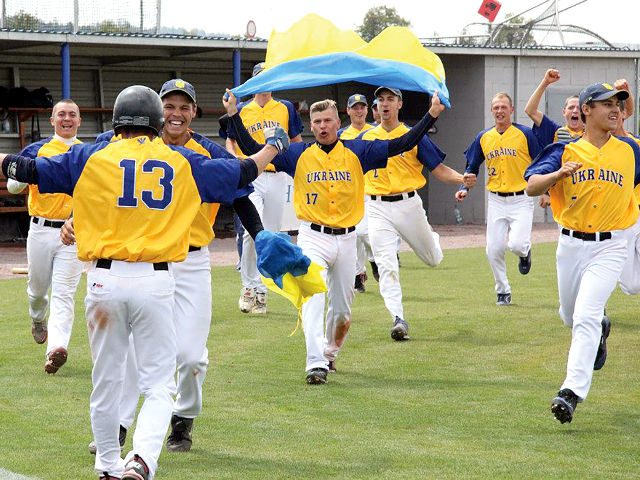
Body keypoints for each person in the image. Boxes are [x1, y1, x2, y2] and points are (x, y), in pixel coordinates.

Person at [1, 85, 292, 480]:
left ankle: (107, 465)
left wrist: (5, 161)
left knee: (107, 382)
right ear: (157, 121)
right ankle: (141, 461)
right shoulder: (179, 159)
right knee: (158, 385)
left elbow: (28, 170)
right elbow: (242, 173)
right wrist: (273, 148)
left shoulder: (91, 154)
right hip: (157, 278)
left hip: (104, 279)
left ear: (116, 120)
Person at [224, 87, 448, 383]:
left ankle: (329, 353)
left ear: (336, 121)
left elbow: (401, 143)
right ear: (311, 126)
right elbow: (250, 145)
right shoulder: (297, 154)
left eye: (328, 121)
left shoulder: (358, 150)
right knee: (313, 296)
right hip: (312, 236)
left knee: (342, 312)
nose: (322, 127)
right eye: (316, 122)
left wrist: (431, 114)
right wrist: (233, 114)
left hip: (346, 239)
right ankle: (314, 362)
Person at [84, 79, 260, 454]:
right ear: (157, 110)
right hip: (145, 260)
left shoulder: (208, 152)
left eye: (184, 106)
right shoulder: (127, 145)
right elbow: (93, 186)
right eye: (169, 106)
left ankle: (183, 417)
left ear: (194, 112)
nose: (176, 114)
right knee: (133, 351)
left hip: (192, 260)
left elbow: (240, 193)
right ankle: (118, 426)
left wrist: (261, 237)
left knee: (191, 355)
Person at [524, 82, 639, 424]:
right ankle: (601, 327)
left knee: (585, 316)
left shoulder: (631, 150)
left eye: (618, 103)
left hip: (612, 245)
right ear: (586, 109)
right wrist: (557, 175)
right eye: (606, 103)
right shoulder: (564, 151)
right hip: (571, 244)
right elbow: (531, 186)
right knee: (570, 317)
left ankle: (570, 392)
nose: (615, 108)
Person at [362, 86, 476, 340]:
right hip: (377, 205)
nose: (385, 104)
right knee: (385, 263)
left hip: (408, 205)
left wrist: (463, 178)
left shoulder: (414, 135)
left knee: (433, 259)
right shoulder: (368, 138)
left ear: (400, 105)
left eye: (390, 99)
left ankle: (431, 239)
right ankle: (397, 318)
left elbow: (439, 169)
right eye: (380, 99)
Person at [6, 99, 84, 374]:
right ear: (52, 120)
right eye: (61, 114)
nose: (66, 119)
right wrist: (26, 175)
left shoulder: (86, 153)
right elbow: (14, 186)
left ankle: (57, 349)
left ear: (79, 121)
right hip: (40, 229)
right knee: (38, 290)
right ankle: (38, 319)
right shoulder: (36, 150)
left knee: (64, 293)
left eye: (72, 115)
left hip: (73, 232)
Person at [226, 62, 304, 315]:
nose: (265, 85)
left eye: (269, 79)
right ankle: (250, 288)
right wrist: (233, 160)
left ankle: (262, 289)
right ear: (254, 82)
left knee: (269, 233)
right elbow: (231, 139)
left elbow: (295, 141)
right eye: (261, 79)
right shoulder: (240, 109)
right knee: (252, 231)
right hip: (251, 175)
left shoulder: (285, 107)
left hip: (277, 175)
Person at [458, 92, 542, 306]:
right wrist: (464, 188)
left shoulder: (524, 134)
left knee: (516, 245)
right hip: (495, 199)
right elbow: (472, 165)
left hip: (521, 198)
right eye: (496, 107)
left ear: (511, 110)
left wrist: (545, 190)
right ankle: (503, 291)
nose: (499, 111)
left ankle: (525, 252)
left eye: (503, 107)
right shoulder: (484, 137)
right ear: (491, 111)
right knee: (493, 249)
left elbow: (541, 162)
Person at [338, 94, 375, 293]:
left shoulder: (376, 131)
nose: (359, 111)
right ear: (349, 110)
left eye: (362, 107)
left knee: (363, 232)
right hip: (351, 189)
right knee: (354, 234)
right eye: (355, 107)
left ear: (367, 110)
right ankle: (358, 274)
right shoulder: (342, 134)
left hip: (373, 187)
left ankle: (374, 259)